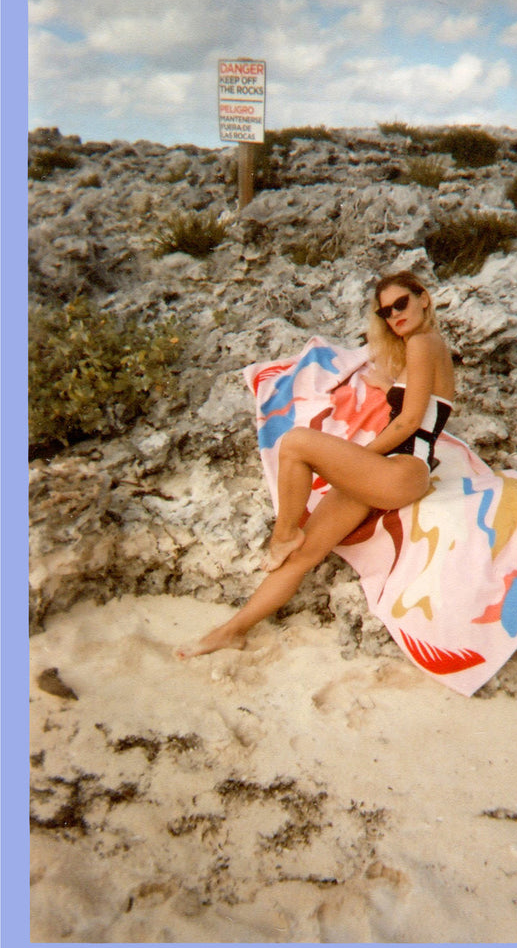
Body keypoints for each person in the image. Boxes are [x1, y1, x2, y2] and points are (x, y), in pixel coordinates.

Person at [175, 271, 455, 660]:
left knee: (295, 443)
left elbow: (409, 422)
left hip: (406, 468)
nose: (394, 315)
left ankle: (282, 533)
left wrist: (361, 457)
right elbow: (412, 394)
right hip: (387, 472)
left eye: (401, 304)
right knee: (303, 555)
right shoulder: (422, 349)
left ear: (423, 298)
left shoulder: (425, 342)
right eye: (386, 311)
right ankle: (231, 631)